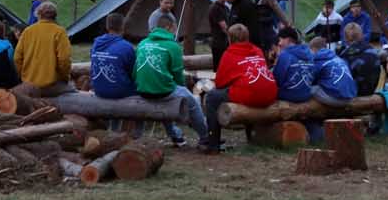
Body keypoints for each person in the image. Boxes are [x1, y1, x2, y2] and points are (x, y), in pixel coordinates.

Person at [133, 15, 208, 146]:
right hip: (163, 91)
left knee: (165, 93)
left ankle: (175, 136)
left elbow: (135, 71)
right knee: (193, 101)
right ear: (168, 27)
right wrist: (182, 89)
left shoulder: (142, 43)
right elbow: (178, 74)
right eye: (174, 28)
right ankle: (205, 137)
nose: (175, 32)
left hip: (142, 90)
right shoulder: (173, 46)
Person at [204, 23, 277, 152]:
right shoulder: (257, 50)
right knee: (245, 88)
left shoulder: (229, 53)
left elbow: (220, 83)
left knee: (212, 97)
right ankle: (251, 137)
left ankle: (213, 144)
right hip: (270, 93)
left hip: (251, 93)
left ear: (230, 38)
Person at [12, 0, 73, 101]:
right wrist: (65, 77)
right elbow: (64, 59)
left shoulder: (28, 31)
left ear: (38, 15)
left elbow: (17, 58)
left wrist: (23, 77)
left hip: (29, 85)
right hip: (51, 85)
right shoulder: (59, 31)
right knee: (73, 88)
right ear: (55, 16)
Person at [89, 13, 138, 100]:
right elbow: (133, 73)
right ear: (123, 26)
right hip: (120, 92)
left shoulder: (96, 43)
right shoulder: (126, 47)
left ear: (107, 27)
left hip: (98, 90)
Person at [272, 26, 315, 104]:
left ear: (288, 40)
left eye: (281, 40)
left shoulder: (285, 55)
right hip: (306, 94)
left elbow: (276, 80)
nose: (279, 43)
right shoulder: (309, 53)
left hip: (289, 95)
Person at [208, 0, 239, 72]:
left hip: (225, 43)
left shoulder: (226, 8)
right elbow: (225, 28)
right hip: (219, 44)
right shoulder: (215, 8)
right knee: (219, 69)